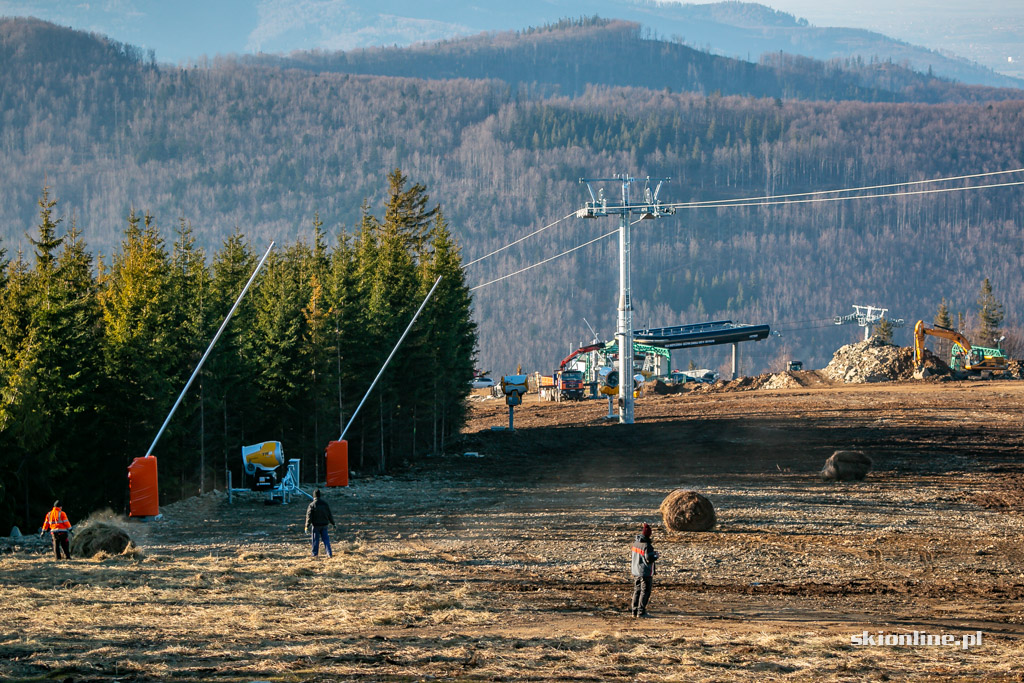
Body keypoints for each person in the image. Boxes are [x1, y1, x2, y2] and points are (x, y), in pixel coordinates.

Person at [630, 522, 659, 617]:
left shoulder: (635, 543)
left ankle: (634, 611)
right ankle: (641, 612)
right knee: (645, 591)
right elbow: (649, 559)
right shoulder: (647, 546)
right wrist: (656, 555)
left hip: (635, 571)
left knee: (637, 591)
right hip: (645, 572)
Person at [304, 489, 336, 558]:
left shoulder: (312, 505)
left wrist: (306, 526)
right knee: (326, 540)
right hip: (324, 525)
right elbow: (329, 515)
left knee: (315, 541)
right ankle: (329, 553)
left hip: (316, 526)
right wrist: (333, 524)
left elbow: (309, 517)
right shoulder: (325, 504)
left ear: (314, 496)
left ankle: (315, 554)